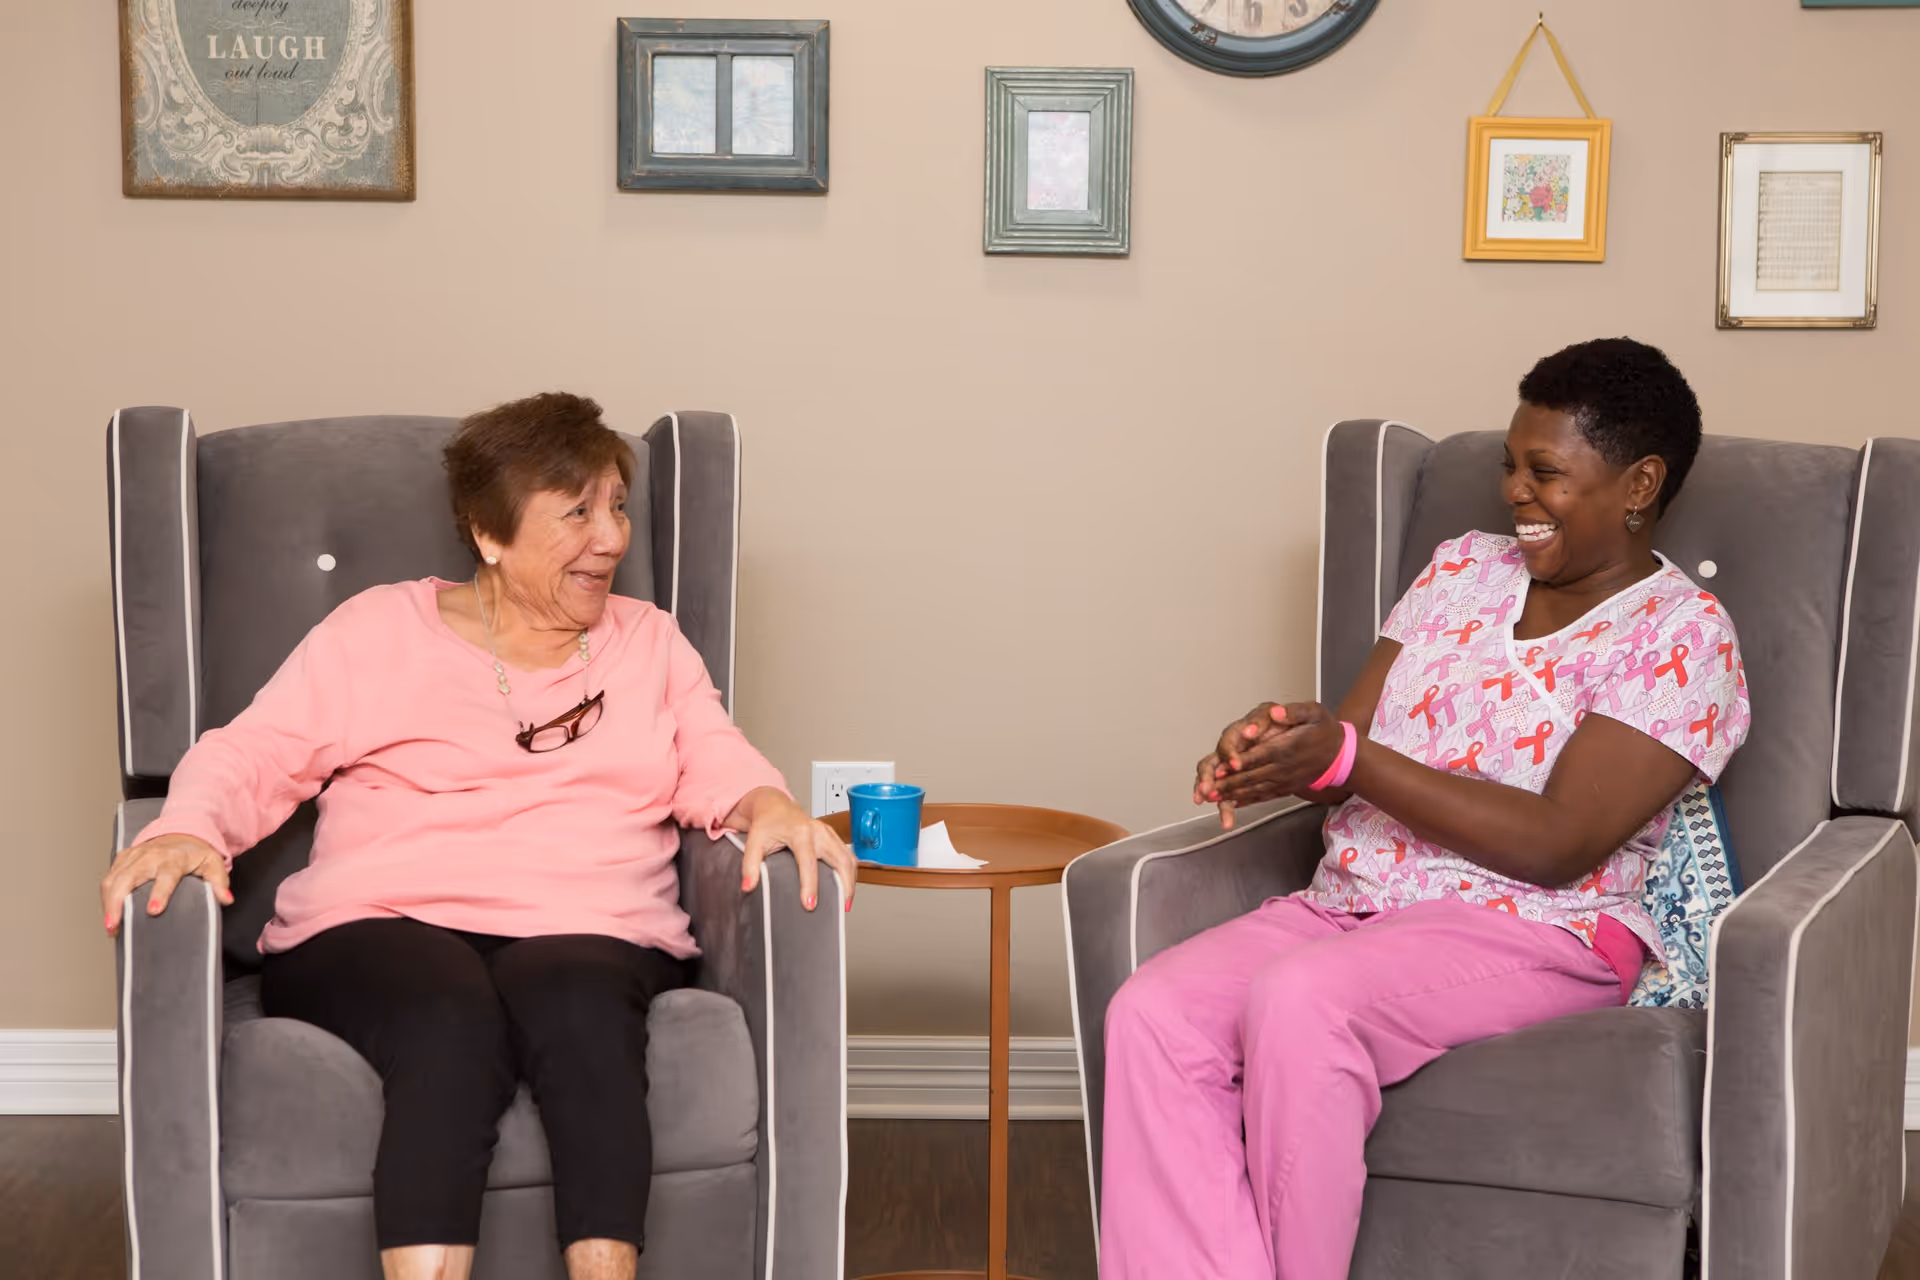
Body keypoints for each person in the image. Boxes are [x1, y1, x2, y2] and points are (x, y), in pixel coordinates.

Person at [98, 392, 856, 1280]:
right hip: (375, 920)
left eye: (616, 506)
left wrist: (766, 806)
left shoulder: (650, 643)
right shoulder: (378, 629)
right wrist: (188, 829)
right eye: (577, 512)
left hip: (590, 921)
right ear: (489, 535)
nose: (611, 538)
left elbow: (718, 760)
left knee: (581, 1011)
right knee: (446, 1019)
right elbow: (255, 753)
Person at [1098, 338, 1751, 1280]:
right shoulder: (1460, 571)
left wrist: (1352, 757)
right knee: (1153, 1014)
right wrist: (1283, 746)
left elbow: (1558, 841)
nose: (1515, 492)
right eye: (1508, 466)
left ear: (1639, 483)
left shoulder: (1682, 638)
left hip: (1540, 927)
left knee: (1301, 1003)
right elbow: (1352, 748)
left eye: (1547, 471)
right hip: (1352, 902)